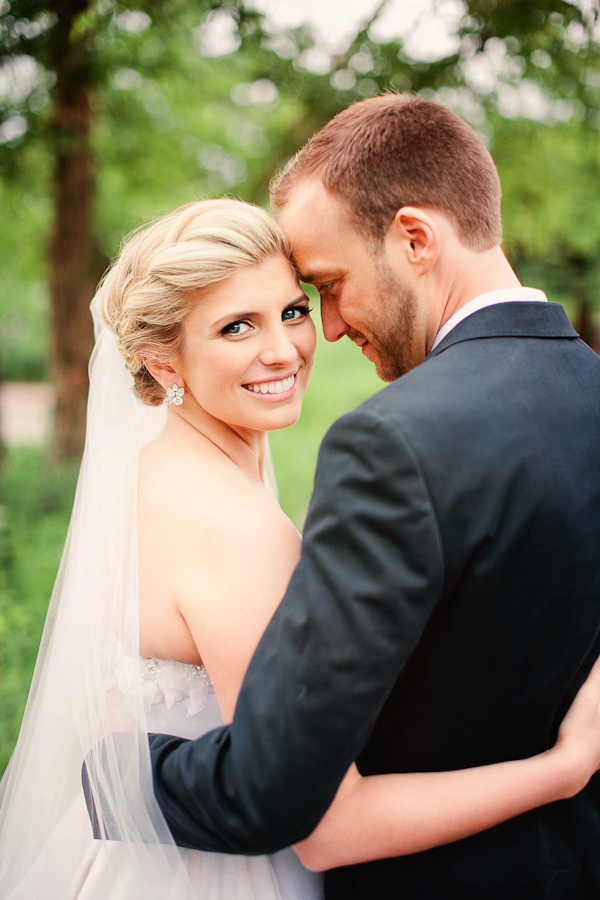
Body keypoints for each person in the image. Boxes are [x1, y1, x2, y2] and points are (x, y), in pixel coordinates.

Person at [0, 198, 599, 900]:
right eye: (236, 327)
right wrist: (567, 765)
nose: (283, 349)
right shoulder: (229, 527)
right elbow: (328, 826)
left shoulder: (154, 475)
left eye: (292, 310)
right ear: (164, 363)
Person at [143, 96, 600, 899]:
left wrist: (116, 770)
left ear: (416, 239)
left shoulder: (392, 443)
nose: (326, 324)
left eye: (325, 285)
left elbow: (273, 794)